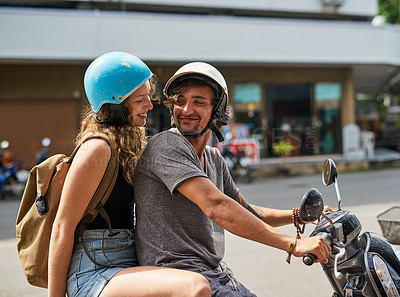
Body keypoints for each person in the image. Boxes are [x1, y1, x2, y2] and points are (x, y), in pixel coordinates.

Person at [133, 62, 332, 296]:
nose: (186, 109)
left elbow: (244, 211)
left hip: (212, 274)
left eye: (198, 102)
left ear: (217, 110)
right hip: (178, 277)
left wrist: (298, 216)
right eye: (180, 101)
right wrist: (293, 244)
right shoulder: (166, 145)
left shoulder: (214, 158)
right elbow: (216, 206)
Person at [48, 52, 211, 297]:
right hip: (94, 269)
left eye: (149, 97)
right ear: (116, 104)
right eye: (140, 100)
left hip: (130, 261)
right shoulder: (97, 148)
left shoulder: (131, 142)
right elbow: (62, 226)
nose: (149, 105)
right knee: (195, 287)